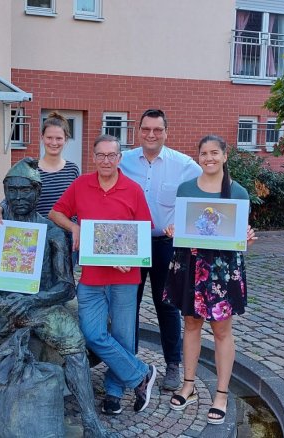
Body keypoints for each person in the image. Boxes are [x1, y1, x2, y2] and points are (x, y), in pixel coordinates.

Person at [0, 158, 113, 438]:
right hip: (1, 306)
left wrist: (34, 301)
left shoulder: (53, 232)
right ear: (4, 192)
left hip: (41, 306)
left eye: (25, 190)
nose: (18, 197)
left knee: (75, 345)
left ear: (38, 192)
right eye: (12, 190)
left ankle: (91, 422)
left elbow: (66, 287)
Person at [50, 135, 158, 415]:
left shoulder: (132, 190)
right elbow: (56, 212)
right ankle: (141, 374)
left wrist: (130, 256)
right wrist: (74, 228)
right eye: (101, 155)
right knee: (92, 333)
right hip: (92, 276)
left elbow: (144, 230)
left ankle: (114, 392)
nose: (106, 161)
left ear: (119, 158)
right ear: (94, 157)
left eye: (111, 155)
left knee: (123, 337)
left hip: (125, 277)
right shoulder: (81, 184)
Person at [163, 135, 256, 425]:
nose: (209, 158)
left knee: (221, 331)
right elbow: (184, 225)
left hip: (222, 269)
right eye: (204, 153)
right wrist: (172, 229)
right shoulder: (187, 188)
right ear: (198, 157)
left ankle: (221, 394)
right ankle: (188, 385)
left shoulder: (237, 192)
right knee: (190, 324)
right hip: (191, 264)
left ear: (225, 156)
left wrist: (247, 239)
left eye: (214, 152)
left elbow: (239, 235)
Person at [119, 108, 202, 390]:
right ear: (138, 131)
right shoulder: (124, 161)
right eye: (146, 129)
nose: (151, 135)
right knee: (128, 303)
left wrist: (184, 223)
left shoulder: (185, 165)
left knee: (166, 306)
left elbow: (209, 191)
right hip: (131, 243)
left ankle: (172, 365)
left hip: (167, 245)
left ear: (167, 132)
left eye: (157, 130)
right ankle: (128, 362)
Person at [0, 112, 80, 224]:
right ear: (42, 138)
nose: (54, 142)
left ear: (66, 139)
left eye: (59, 138)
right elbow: (14, 195)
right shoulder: (30, 170)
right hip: (36, 233)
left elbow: (78, 203)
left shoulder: (72, 170)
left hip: (65, 234)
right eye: (49, 137)